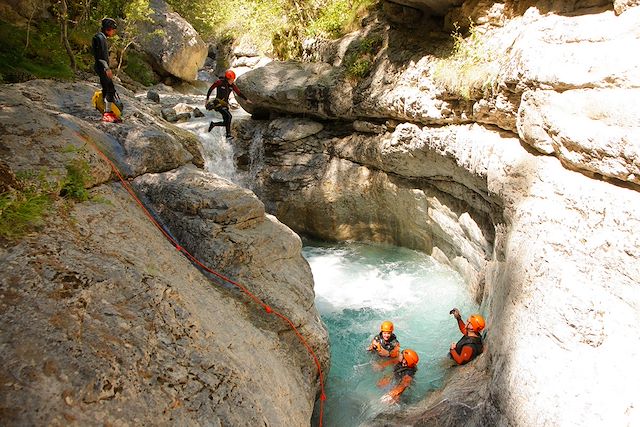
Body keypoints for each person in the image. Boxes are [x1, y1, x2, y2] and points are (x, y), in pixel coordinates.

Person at [205, 69, 250, 138]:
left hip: (225, 104)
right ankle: (228, 135)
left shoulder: (232, 86)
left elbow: (238, 93)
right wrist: (207, 99)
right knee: (229, 116)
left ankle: (214, 124)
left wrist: (246, 99)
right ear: (228, 79)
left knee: (226, 121)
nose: (233, 81)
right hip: (218, 103)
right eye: (232, 79)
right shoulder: (219, 82)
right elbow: (211, 89)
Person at [92, 18, 120, 123]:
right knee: (110, 88)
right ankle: (107, 113)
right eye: (113, 29)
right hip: (102, 67)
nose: (114, 32)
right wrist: (106, 68)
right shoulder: (100, 38)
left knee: (106, 88)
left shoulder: (100, 37)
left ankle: (107, 112)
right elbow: (100, 56)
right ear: (108, 28)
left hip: (101, 66)